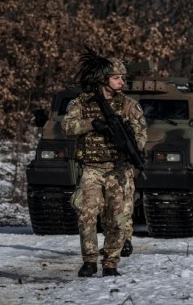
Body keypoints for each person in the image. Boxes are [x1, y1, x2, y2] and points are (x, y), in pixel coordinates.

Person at [63, 50, 147, 278]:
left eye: (122, 78)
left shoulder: (129, 105)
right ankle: (89, 260)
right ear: (103, 79)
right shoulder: (82, 103)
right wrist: (92, 123)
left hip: (118, 168)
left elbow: (141, 135)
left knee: (118, 219)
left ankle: (111, 263)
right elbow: (67, 127)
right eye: (116, 78)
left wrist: (130, 144)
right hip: (92, 168)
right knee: (86, 216)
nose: (122, 82)